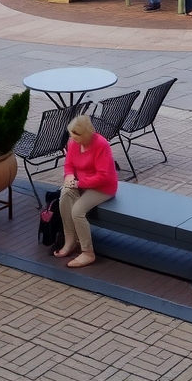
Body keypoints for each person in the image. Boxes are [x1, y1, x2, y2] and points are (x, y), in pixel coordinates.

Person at [53, 114, 119, 267]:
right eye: (71, 136)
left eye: (76, 136)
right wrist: (69, 177)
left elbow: (103, 176)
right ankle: (70, 241)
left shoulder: (101, 145)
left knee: (78, 211)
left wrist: (79, 183)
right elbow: (69, 164)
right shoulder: (73, 142)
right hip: (79, 183)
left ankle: (88, 252)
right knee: (64, 195)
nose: (73, 140)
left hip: (102, 187)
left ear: (87, 134)